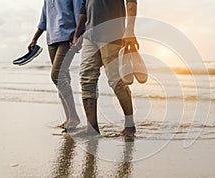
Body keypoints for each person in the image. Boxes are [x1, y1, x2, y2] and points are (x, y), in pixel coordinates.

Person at [72, 0, 139, 136]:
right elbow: (84, 8)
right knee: (86, 79)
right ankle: (92, 128)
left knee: (116, 82)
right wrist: (77, 34)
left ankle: (130, 126)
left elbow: (131, 2)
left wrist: (130, 30)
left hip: (112, 35)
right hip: (89, 36)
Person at [28, 0, 83, 129]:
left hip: (67, 38)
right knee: (63, 78)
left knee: (57, 75)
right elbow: (44, 19)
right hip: (52, 39)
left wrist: (77, 37)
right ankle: (69, 118)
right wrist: (35, 38)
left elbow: (79, 13)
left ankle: (74, 117)